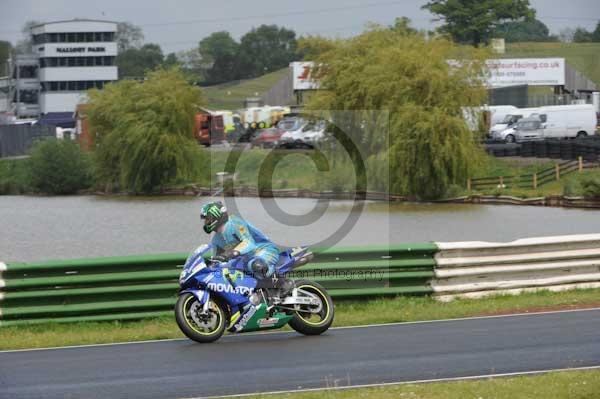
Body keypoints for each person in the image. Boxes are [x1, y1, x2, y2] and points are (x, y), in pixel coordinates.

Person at [200, 201, 292, 295]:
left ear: (216, 215)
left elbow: (249, 242)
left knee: (256, 265)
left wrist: (232, 253)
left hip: (264, 249)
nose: (206, 222)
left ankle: (283, 283)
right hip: (245, 260)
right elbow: (217, 260)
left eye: (207, 219)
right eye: (205, 220)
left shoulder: (235, 221)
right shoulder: (216, 240)